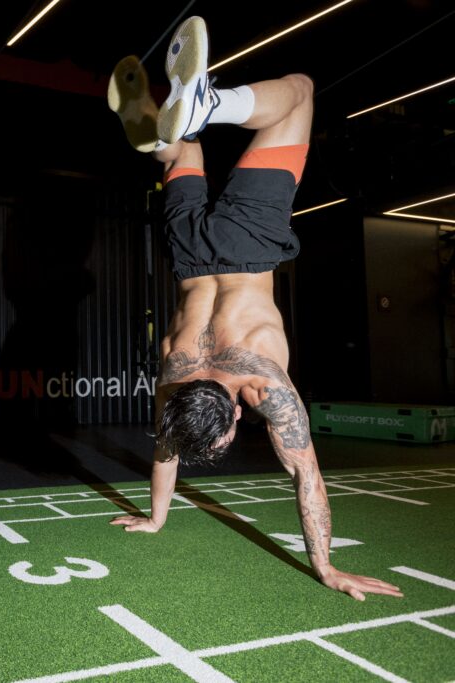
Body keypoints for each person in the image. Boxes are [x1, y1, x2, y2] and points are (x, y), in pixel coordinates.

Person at [106, 17, 402, 600]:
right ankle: (157, 136)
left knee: (301, 92)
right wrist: (156, 518)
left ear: (239, 415)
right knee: (183, 150)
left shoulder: (265, 384)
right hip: (189, 255)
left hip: (247, 246)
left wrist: (326, 567)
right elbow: (166, 448)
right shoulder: (173, 378)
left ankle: (210, 103)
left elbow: (306, 476)